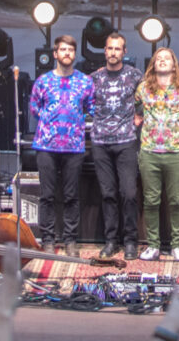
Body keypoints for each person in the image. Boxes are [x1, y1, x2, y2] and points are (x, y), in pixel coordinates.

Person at [29, 35, 93, 258]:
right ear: (55, 54)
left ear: (75, 55)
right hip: (46, 145)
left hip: (74, 146)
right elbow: (34, 107)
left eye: (71, 50)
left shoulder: (85, 82)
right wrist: (50, 119)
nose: (67, 53)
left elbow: (91, 108)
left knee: (71, 195)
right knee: (46, 195)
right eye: (63, 50)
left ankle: (70, 240)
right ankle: (47, 239)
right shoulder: (43, 81)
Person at [89, 31, 143, 260]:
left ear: (124, 51)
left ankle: (130, 240)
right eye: (109, 48)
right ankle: (111, 241)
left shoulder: (135, 76)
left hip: (126, 141)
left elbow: (147, 98)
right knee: (108, 193)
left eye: (117, 49)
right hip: (101, 142)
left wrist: (140, 116)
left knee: (128, 193)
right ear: (105, 51)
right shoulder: (94, 78)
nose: (113, 52)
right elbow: (83, 103)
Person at [135, 46, 179, 261]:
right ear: (153, 64)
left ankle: (177, 245)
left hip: (175, 151)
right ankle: (153, 245)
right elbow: (130, 107)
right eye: (159, 58)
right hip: (149, 151)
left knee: (177, 200)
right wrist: (135, 117)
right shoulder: (143, 89)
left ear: (174, 65)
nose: (163, 61)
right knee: (151, 201)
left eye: (167, 58)